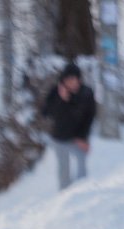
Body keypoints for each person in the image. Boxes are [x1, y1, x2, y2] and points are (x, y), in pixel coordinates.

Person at [42, 62, 96, 190]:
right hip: (60, 138)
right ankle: (64, 198)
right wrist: (61, 100)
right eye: (68, 79)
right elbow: (46, 113)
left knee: (81, 166)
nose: (72, 82)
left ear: (79, 79)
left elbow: (90, 117)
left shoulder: (86, 93)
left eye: (74, 79)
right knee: (64, 171)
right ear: (63, 80)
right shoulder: (56, 92)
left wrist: (82, 137)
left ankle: (82, 192)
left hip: (78, 137)